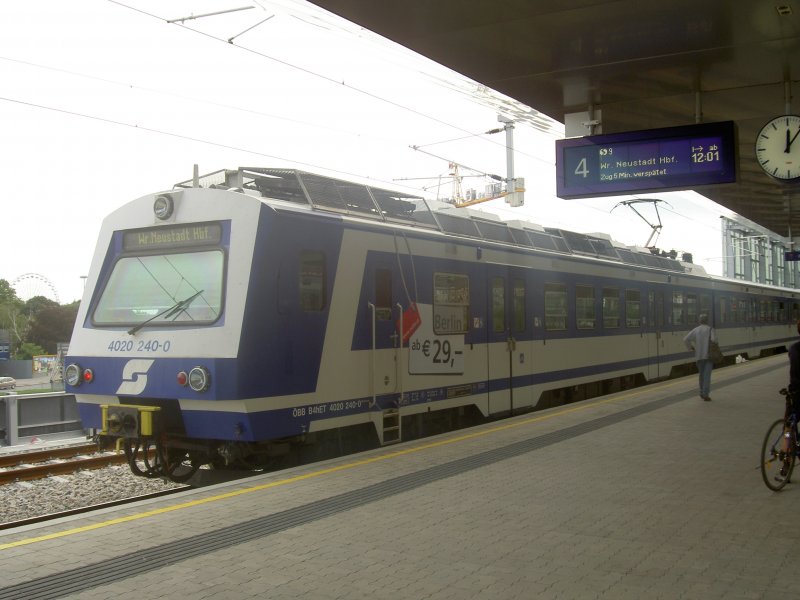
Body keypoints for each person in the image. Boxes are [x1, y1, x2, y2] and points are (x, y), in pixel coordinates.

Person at [683, 314, 716, 401]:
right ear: (707, 321)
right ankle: (706, 394)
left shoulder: (696, 330)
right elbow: (713, 340)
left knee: (701, 375)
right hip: (708, 356)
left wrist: (691, 347)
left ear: (700, 321)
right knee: (707, 376)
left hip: (699, 356)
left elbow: (685, 339)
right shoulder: (710, 329)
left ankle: (701, 392)